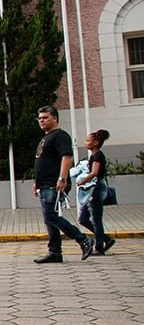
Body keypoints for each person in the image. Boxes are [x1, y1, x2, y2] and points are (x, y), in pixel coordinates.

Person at [32, 106, 94, 264]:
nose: (41, 120)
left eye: (45, 117)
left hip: (54, 183)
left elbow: (66, 157)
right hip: (44, 184)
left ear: (54, 118)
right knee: (48, 218)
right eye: (40, 118)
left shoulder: (60, 136)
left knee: (51, 215)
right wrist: (36, 182)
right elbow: (42, 161)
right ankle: (55, 252)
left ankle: (82, 239)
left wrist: (62, 178)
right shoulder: (46, 138)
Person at [75, 129, 114, 256]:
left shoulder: (98, 156)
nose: (85, 143)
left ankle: (99, 247)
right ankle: (106, 239)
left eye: (88, 141)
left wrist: (82, 181)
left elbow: (95, 173)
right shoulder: (93, 156)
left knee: (96, 218)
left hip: (96, 189)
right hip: (91, 189)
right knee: (83, 219)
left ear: (96, 142)